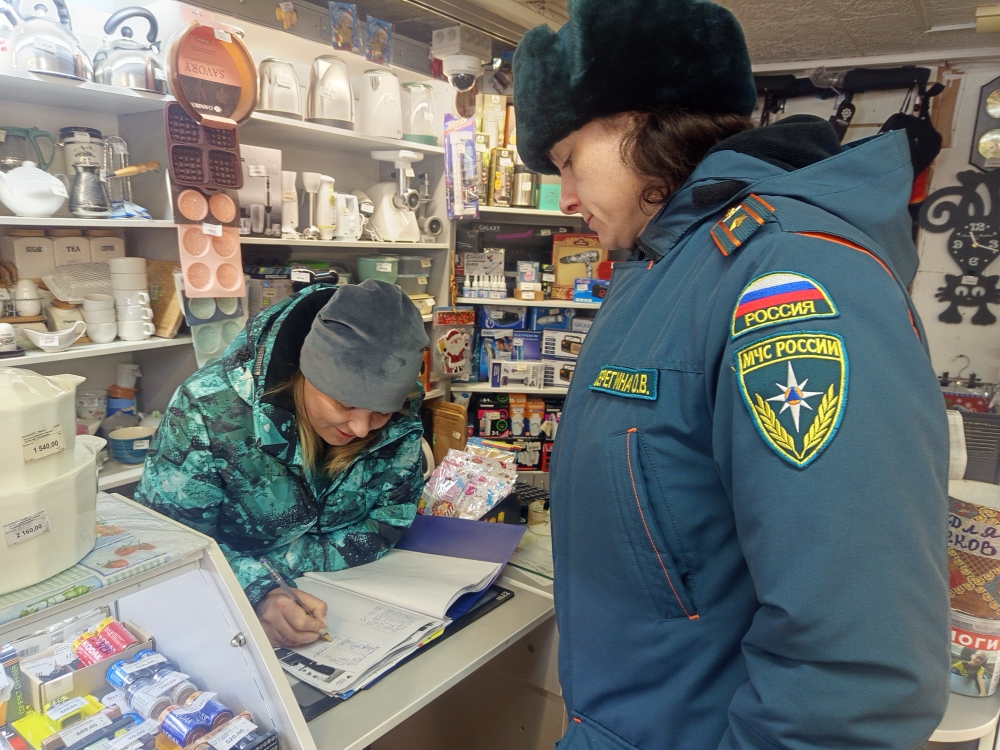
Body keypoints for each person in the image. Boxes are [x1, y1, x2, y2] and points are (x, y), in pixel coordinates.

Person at [512, 0, 950, 748]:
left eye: (564, 161)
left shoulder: (790, 277)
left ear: (639, 121)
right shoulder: (663, 267)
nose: (566, 198)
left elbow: (855, 672)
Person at [135, 280, 429, 648]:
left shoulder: (402, 416)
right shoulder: (207, 410)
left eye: (381, 412)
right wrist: (259, 590)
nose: (360, 428)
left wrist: (282, 568)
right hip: (216, 620)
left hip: (353, 596)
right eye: (345, 404)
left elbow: (391, 517)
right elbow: (170, 544)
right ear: (305, 372)